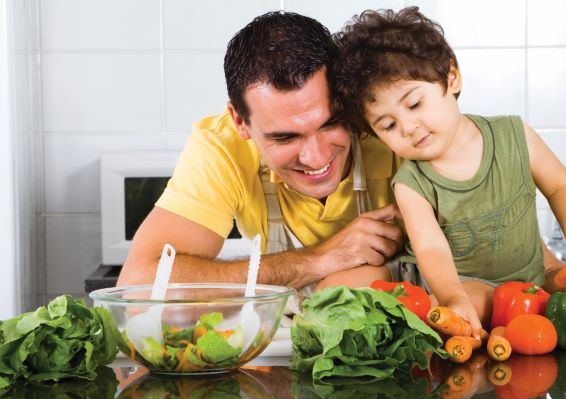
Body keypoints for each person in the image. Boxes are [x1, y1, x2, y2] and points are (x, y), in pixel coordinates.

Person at [331, 7, 566, 336]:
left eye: (415, 104)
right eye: (388, 125)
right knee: (332, 290)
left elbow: (561, 186)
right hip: (454, 280)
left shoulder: (514, 135)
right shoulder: (410, 183)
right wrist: (451, 297)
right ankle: (420, 302)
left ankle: (426, 309)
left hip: (525, 279)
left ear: (451, 76)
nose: (408, 127)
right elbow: (431, 249)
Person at [117, 11, 407, 297]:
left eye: (331, 123)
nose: (316, 158)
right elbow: (137, 287)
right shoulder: (223, 147)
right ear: (240, 121)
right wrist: (319, 259)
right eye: (285, 137)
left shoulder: (391, 121)